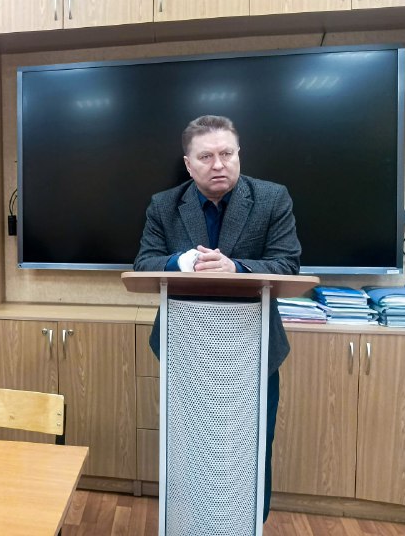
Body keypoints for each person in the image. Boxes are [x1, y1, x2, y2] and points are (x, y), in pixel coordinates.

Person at [133, 114, 301, 522]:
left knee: (251, 446)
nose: (219, 164)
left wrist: (236, 268)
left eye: (227, 153)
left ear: (238, 154)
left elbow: (288, 264)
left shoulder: (272, 198)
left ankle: (249, 524)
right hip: (186, 349)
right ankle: (191, 522)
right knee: (191, 448)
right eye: (206, 156)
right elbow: (144, 263)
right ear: (188, 164)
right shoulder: (164, 204)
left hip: (253, 349)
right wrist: (181, 262)